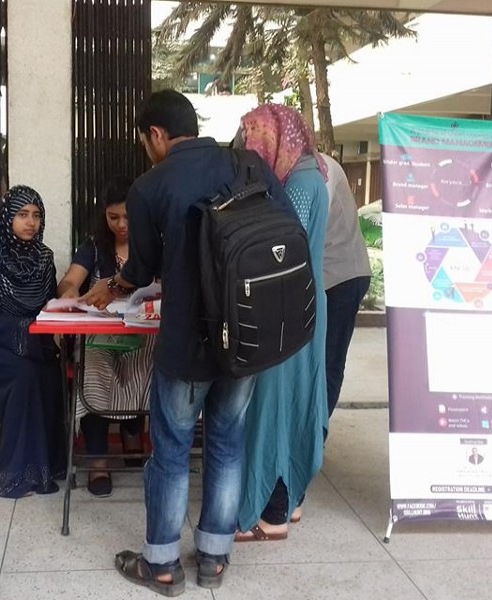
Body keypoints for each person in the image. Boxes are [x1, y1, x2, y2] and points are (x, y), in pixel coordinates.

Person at [83, 90, 291, 596]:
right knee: (226, 441)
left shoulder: (150, 186)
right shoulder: (248, 166)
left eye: (144, 140)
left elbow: (141, 268)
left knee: (172, 449)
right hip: (247, 336)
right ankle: (215, 559)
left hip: (187, 341)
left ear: (155, 134)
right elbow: (287, 230)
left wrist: (112, 287)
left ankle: (160, 565)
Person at [233, 104, 329, 542]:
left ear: (273, 139)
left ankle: (270, 515)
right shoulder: (305, 175)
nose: (247, 149)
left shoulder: (304, 183)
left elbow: (283, 251)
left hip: (290, 311)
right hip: (298, 307)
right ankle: (287, 502)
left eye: (253, 138)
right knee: (288, 403)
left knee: (274, 409)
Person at [57, 175, 155, 499]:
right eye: (113, 217)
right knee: (94, 366)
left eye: (128, 216)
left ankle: (132, 435)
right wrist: (72, 293)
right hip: (101, 334)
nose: (121, 224)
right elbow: (70, 282)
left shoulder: (153, 246)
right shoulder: (95, 246)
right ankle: (98, 458)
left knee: (145, 364)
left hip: (141, 335)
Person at [0, 185, 66, 498]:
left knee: (51, 374)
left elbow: (48, 305)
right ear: (7, 217)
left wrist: (41, 336)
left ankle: (49, 464)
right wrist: (28, 336)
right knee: (24, 376)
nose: (30, 222)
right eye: (22, 214)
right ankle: (18, 470)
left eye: (36, 215)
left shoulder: (44, 258)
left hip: (34, 336)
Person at [319, 153, 371, 418]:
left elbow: (313, 218)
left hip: (342, 276)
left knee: (329, 360)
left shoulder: (321, 168)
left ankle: (316, 438)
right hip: (322, 276)